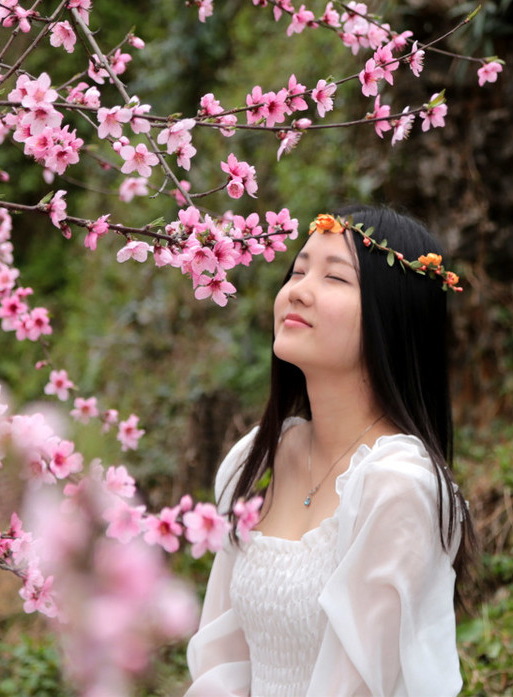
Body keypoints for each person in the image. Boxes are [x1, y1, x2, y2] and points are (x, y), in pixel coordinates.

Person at [186, 204, 476, 696]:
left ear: (393, 315)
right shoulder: (256, 460)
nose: (297, 290)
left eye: (334, 278)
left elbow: (358, 686)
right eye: (297, 270)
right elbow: (221, 658)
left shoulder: (397, 486)